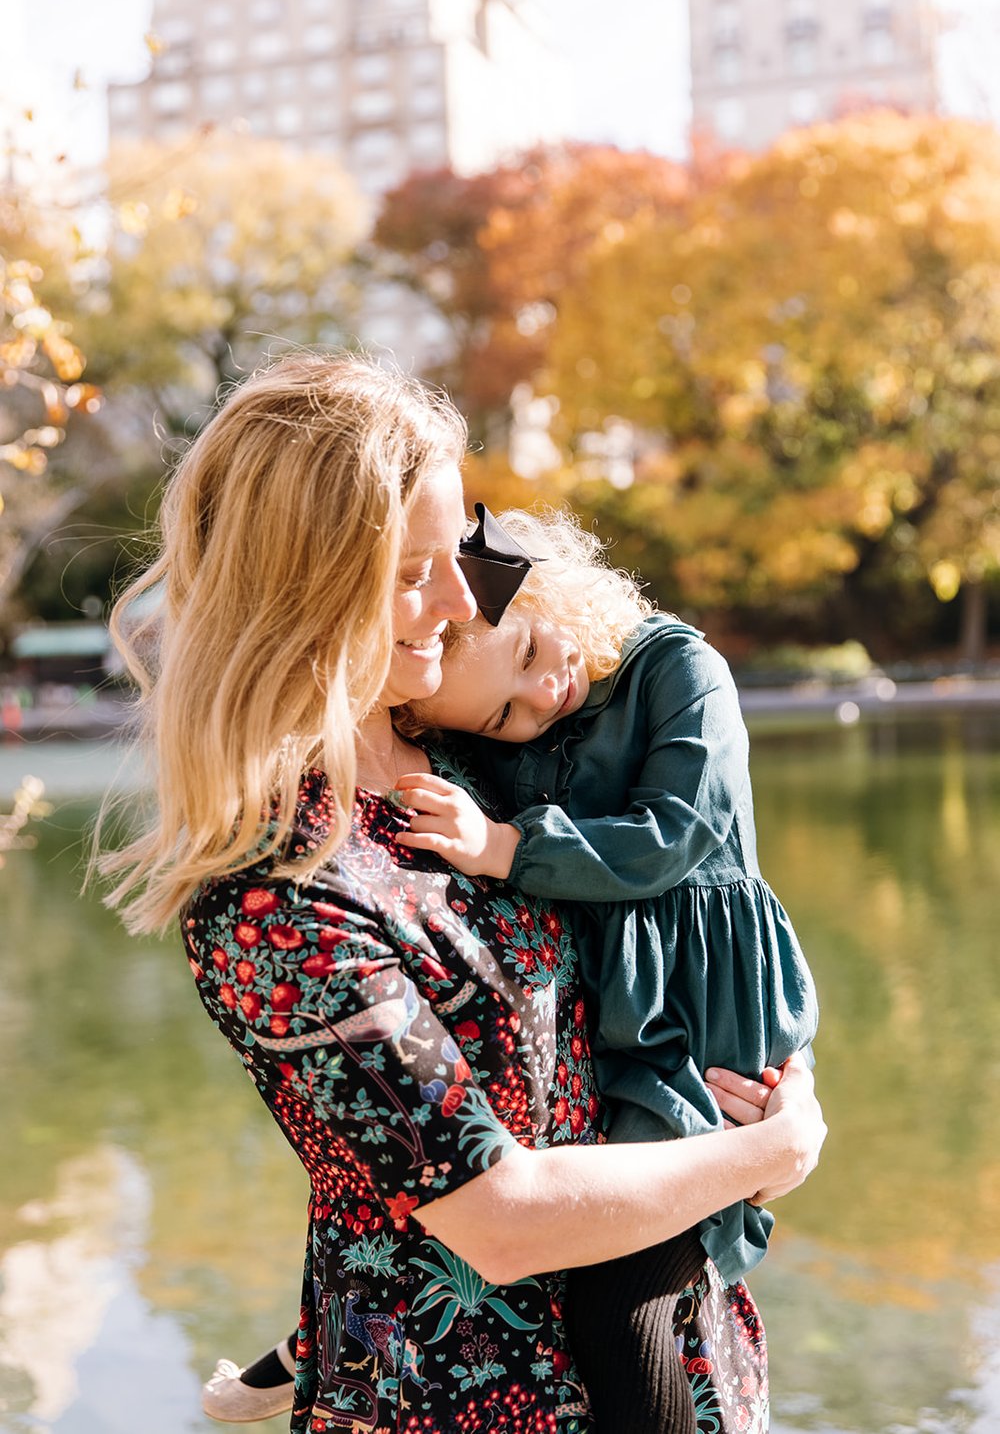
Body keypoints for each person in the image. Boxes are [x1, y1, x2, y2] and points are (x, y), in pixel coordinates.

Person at [101, 353, 825, 1434]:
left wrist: (759, 1069)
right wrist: (774, 1149)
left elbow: (670, 917)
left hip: (679, 1345)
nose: (459, 599)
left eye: (457, 555)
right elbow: (496, 1219)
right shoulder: (278, 890)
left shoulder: (473, 773)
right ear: (300, 587)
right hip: (463, 1405)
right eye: (412, 571)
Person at [391, 505, 820, 1432]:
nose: (543, 695)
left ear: (549, 590)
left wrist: (506, 846)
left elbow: (680, 834)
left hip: (704, 1003)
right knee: (567, 1255)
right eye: (505, 714)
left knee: (621, 1295)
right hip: (612, 1002)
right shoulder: (487, 716)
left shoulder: (676, 667)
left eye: (536, 648)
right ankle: (306, 1344)